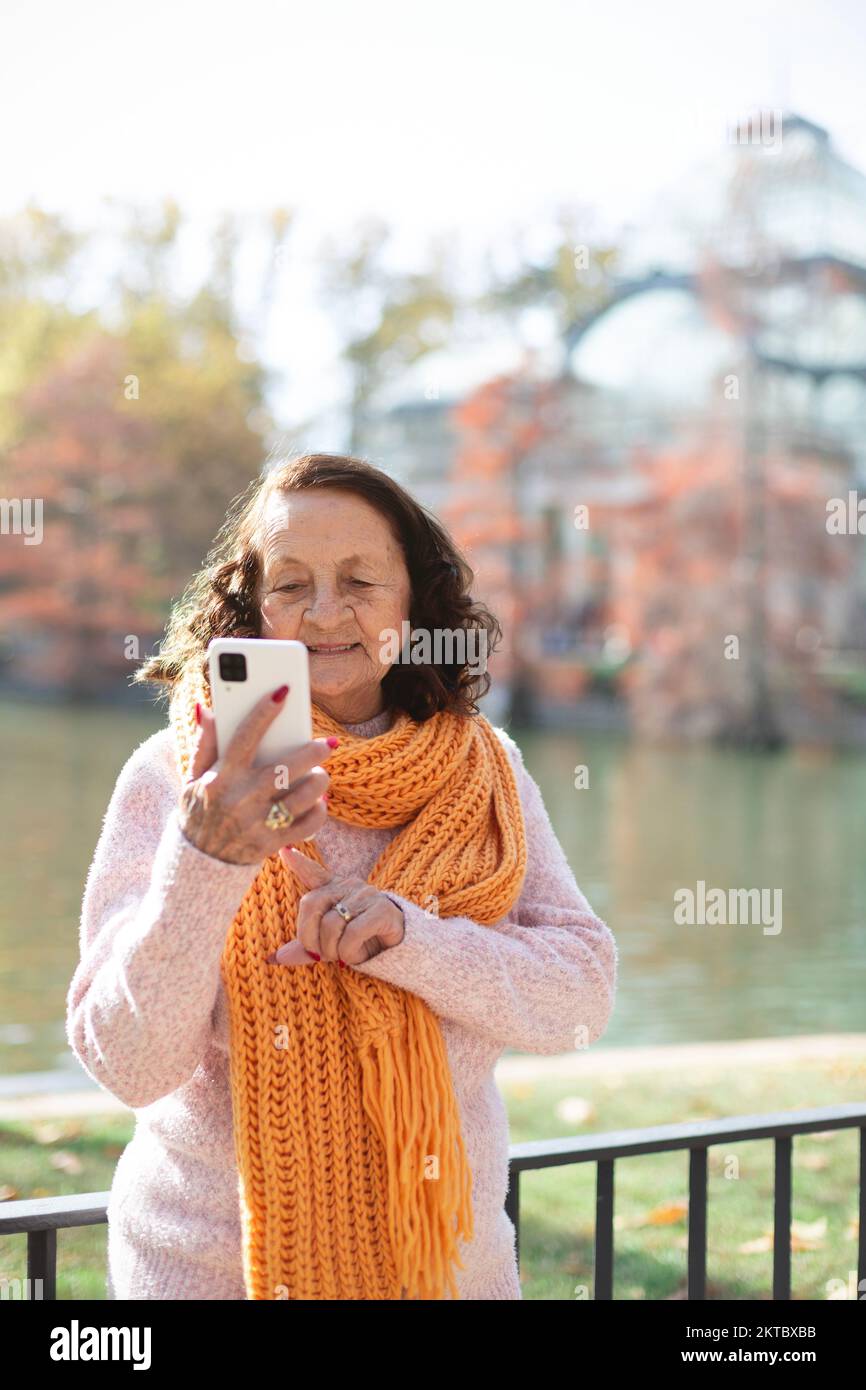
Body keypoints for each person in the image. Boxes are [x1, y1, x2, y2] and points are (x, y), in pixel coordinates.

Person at [66, 451, 618, 1300]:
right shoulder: (171, 777)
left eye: (360, 581)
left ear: (415, 602)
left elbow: (580, 998)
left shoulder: (485, 771)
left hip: (446, 1270)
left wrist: (410, 936)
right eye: (290, 584)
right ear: (253, 603)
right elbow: (127, 1064)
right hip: (211, 1274)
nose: (325, 614)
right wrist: (207, 857)